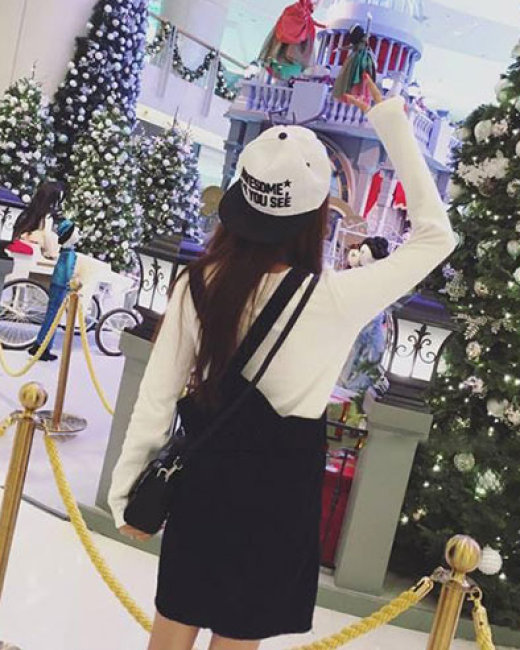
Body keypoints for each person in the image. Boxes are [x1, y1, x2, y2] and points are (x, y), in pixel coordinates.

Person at [108, 76, 456, 650]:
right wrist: (391, 120)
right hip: (279, 491)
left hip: (206, 476)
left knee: (172, 626)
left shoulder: (200, 282)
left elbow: (158, 394)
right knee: (238, 636)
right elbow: (436, 237)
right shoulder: (337, 297)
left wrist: (128, 495)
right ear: (316, 214)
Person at [27, 219, 79, 361]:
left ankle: (40, 344)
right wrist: (71, 285)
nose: (79, 234)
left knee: (51, 315)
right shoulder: (69, 254)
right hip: (61, 286)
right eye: (76, 232)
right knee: (54, 318)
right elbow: (68, 272)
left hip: (56, 283)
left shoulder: (65, 252)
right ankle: (43, 347)